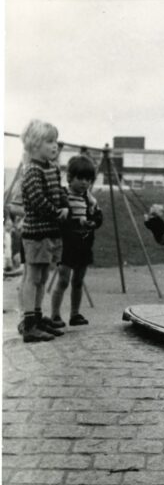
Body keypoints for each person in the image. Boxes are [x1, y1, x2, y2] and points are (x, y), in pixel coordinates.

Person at [19, 119, 69, 342]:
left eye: (55, 141)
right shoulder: (32, 171)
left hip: (51, 232)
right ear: (35, 144)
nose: (54, 145)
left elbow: (58, 191)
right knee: (33, 277)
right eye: (49, 141)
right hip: (37, 233)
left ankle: (37, 317)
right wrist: (56, 212)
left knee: (43, 277)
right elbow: (38, 199)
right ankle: (29, 323)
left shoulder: (53, 168)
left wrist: (65, 204)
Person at [50, 155, 103, 328]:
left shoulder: (89, 199)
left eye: (88, 179)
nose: (84, 183)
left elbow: (98, 216)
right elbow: (60, 219)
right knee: (63, 280)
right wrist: (75, 221)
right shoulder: (63, 196)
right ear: (70, 178)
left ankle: (74, 313)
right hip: (66, 244)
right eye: (80, 178)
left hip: (83, 245)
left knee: (78, 281)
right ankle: (55, 315)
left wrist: (93, 221)